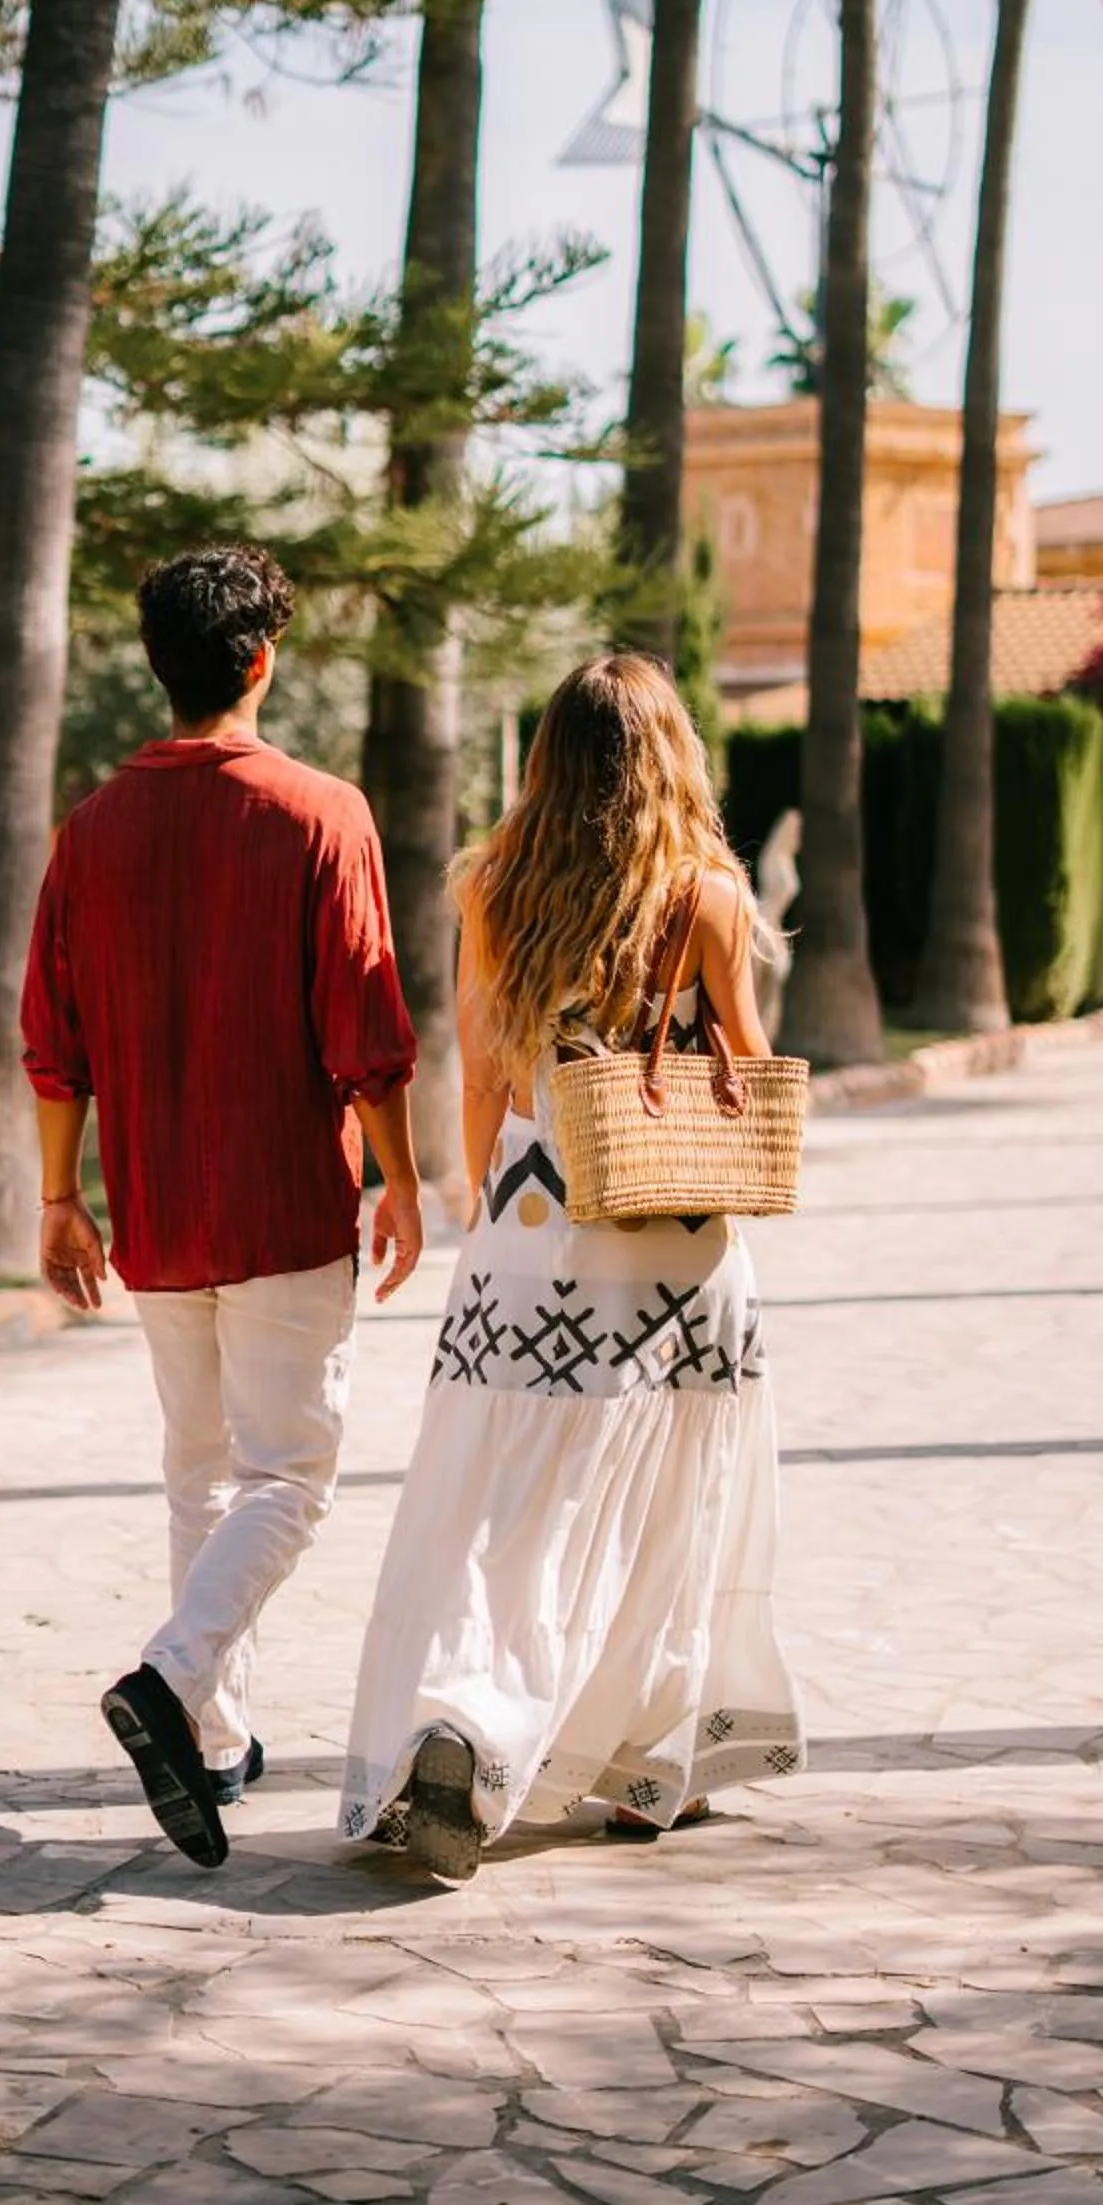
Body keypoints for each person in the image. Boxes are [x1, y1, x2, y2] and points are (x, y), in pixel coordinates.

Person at [339, 652, 804, 1883]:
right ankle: (641, 1765)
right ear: (667, 758)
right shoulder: (703, 896)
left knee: (500, 1510)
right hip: (669, 1247)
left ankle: (460, 1721)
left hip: (523, 1238)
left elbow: (484, 1080)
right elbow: (747, 1067)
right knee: (664, 1511)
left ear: (543, 761)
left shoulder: (489, 886)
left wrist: (496, 1206)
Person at [21, 542, 423, 1871]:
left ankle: (212, 1736)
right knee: (293, 1474)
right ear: (261, 661)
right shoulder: (321, 814)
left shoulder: (92, 829)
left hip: (156, 1208)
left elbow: (52, 1035)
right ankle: (171, 1671)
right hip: (284, 1201)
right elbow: (366, 1023)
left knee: (203, 1472)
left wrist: (56, 1199)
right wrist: (408, 1180)